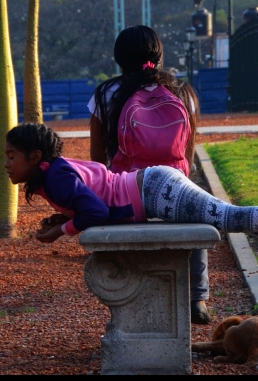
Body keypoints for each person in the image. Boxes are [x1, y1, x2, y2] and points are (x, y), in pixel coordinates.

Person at [4, 123, 258, 288]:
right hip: (152, 186)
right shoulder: (54, 174)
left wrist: (61, 231)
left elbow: (95, 212)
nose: (6, 164)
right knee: (228, 217)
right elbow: (92, 197)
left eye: (11, 156)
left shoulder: (56, 178)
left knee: (228, 217)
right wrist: (63, 216)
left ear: (35, 157)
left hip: (155, 191)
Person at [87, 25, 210, 324]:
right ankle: (198, 297)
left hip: (127, 192)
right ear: (158, 55)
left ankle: (123, 289)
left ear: (119, 59)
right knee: (198, 212)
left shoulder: (106, 93)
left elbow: (96, 156)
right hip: (175, 185)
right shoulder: (182, 92)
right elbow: (188, 154)